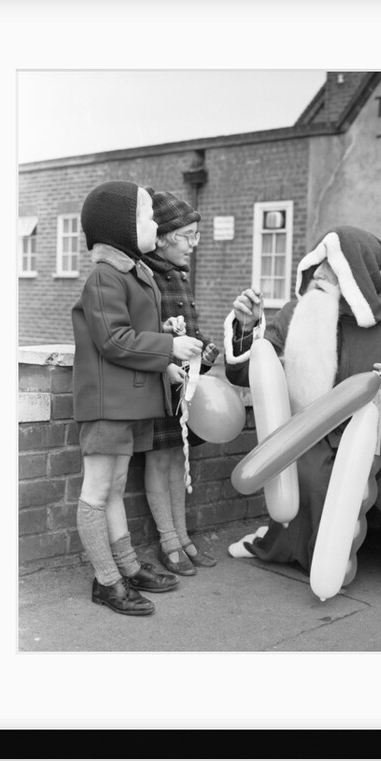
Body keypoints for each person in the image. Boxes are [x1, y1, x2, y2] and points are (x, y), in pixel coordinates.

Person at [223, 225, 381, 577]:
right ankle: (311, 552)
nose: (319, 273)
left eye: (332, 265)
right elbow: (252, 377)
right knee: (309, 468)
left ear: (359, 274)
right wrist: (247, 329)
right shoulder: (295, 313)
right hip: (317, 434)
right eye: (318, 261)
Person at [71, 181, 203, 616]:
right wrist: (168, 349)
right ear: (123, 227)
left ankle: (125, 566)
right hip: (108, 404)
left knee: (114, 489)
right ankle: (106, 580)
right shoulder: (104, 277)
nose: (155, 223)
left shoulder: (131, 273)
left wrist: (163, 364)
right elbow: (114, 340)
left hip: (127, 402)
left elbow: (129, 340)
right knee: (98, 490)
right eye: (147, 216)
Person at [140, 188, 220, 577]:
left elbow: (192, 329)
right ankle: (169, 542)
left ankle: (183, 538)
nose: (194, 245)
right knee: (160, 459)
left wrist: (206, 349)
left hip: (182, 384)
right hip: (158, 380)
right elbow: (139, 332)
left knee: (178, 459)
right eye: (188, 236)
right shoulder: (143, 275)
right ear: (164, 236)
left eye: (196, 235)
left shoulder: (179, 276)